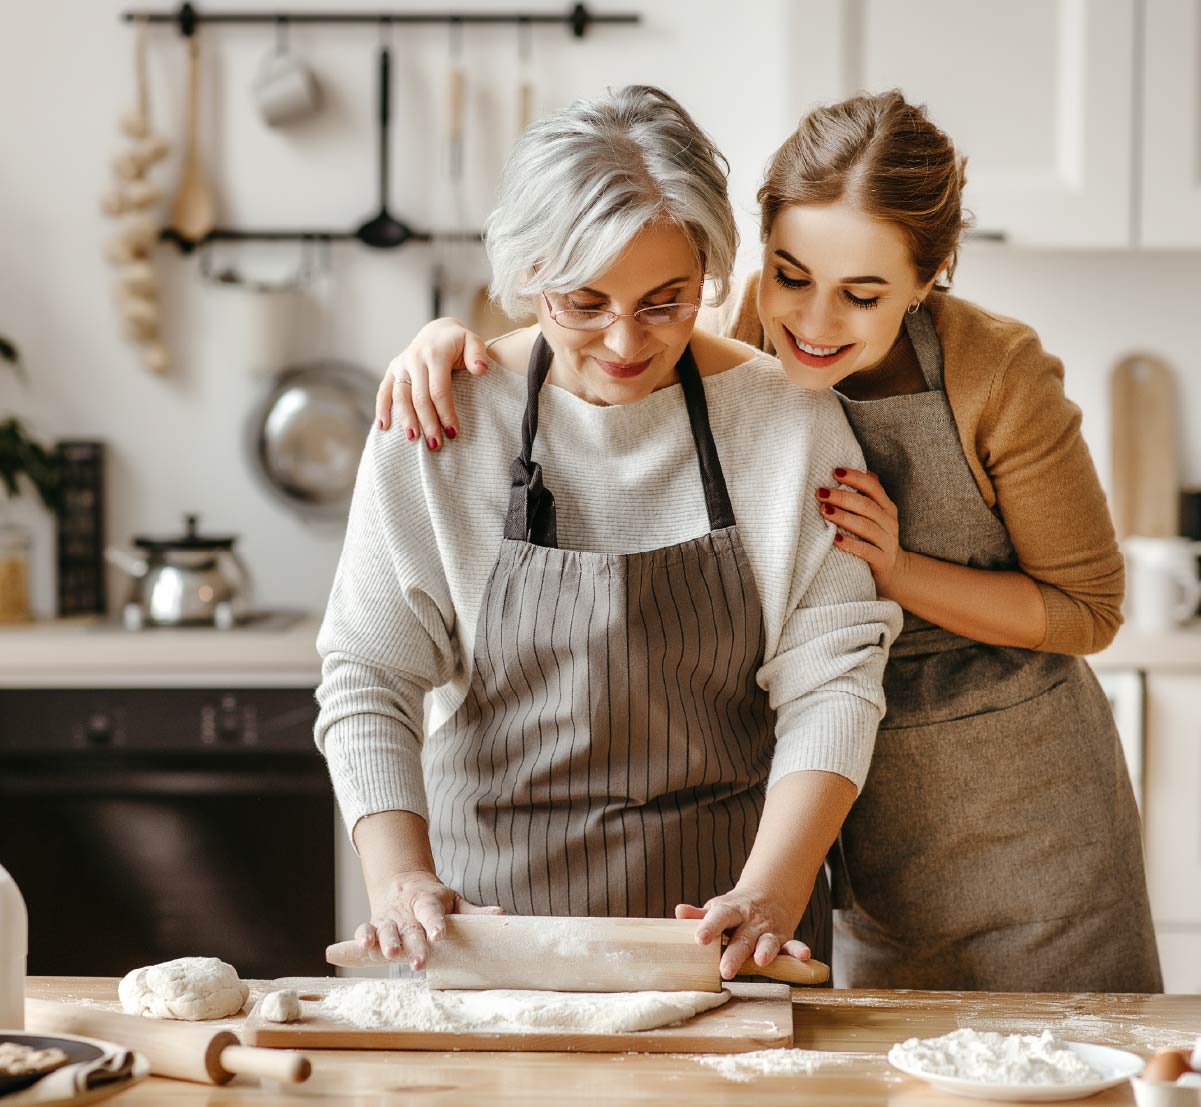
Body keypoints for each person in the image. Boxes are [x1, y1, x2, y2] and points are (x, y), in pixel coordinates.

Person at [375, 89, 1162, 992]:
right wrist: (450, 347)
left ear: (931, 275)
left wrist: (895, 570)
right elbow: (608, 324)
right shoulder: (737, 338)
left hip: (1022, 817)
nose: (814, 324)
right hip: (847, 817)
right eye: (790, 275)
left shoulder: (996, 374)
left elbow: (1086, 609)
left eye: (861, 295)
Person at [315, 85, 899, 982]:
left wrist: (773, 893)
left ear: (709, 271)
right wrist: (399, 880)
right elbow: (368, 672)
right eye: (582, 303)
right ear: (527, 276)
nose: (626, 341)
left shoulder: (786, 423)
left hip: (727, 938)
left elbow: (833, 680)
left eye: (667, 302)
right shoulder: (442, 420)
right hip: (487, 938)